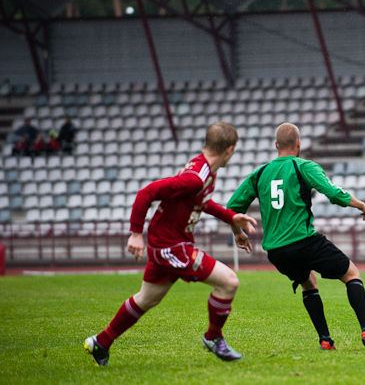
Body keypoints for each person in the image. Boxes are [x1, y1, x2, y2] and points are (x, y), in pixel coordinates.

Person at [83, 122, 257, 366]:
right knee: (229, 283)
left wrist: (231, 218)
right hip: (171, 246)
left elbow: (201, 202)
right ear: (229, 149)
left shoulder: (203, 169)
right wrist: (135, 233)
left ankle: (101, 342)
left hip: (169, 242)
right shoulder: (196, 177)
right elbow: (147, 192)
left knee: (146, 299)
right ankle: (213, 337)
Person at [226, 123, 365, 351]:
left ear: (276, 145)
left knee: (309, 282)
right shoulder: (304, 166)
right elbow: (334, 193)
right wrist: (362, 205)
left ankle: (325, 340)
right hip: (303, 241)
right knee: (351, 273)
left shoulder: (259, 174)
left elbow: (231, 208)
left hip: (276, 251)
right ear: (298, 143)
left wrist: (239, 233)